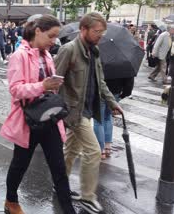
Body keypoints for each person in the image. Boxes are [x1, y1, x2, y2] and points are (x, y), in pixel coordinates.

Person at [0, 15, 76, 214]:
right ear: (38, 31)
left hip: (49, 118)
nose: (54, 41)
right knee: (20, 165)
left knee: (59, 169)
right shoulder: (19, 55)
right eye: (51, 36)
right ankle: (11, 200)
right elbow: (16, 90)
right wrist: (42, 85)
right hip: (28, 120)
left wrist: (52, 86)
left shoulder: (48, 55)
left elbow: (47, 86)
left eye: (56, 37)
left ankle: (69, 210)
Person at [54, 12, 123, 214]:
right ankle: (87, 197)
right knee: (93, 152)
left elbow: (100, 81)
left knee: (71, 151)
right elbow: (55, 82)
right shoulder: (69, 50)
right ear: (83, 29)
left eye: (102, 32)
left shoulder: (94, 51)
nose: (100, 35)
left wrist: (111, 102)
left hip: (87, 109)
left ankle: (60, 186)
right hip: (73, 111)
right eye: (97, 31)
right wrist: (57, 112)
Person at [94, 76, 134, 159]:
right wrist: (123, 94)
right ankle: (107, 146)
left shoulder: (100, 63)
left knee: (98, 121)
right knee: (108, 118)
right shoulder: (123, 63)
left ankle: (101, 150)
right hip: (115, 90)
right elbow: (129, 79)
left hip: (99, 91)